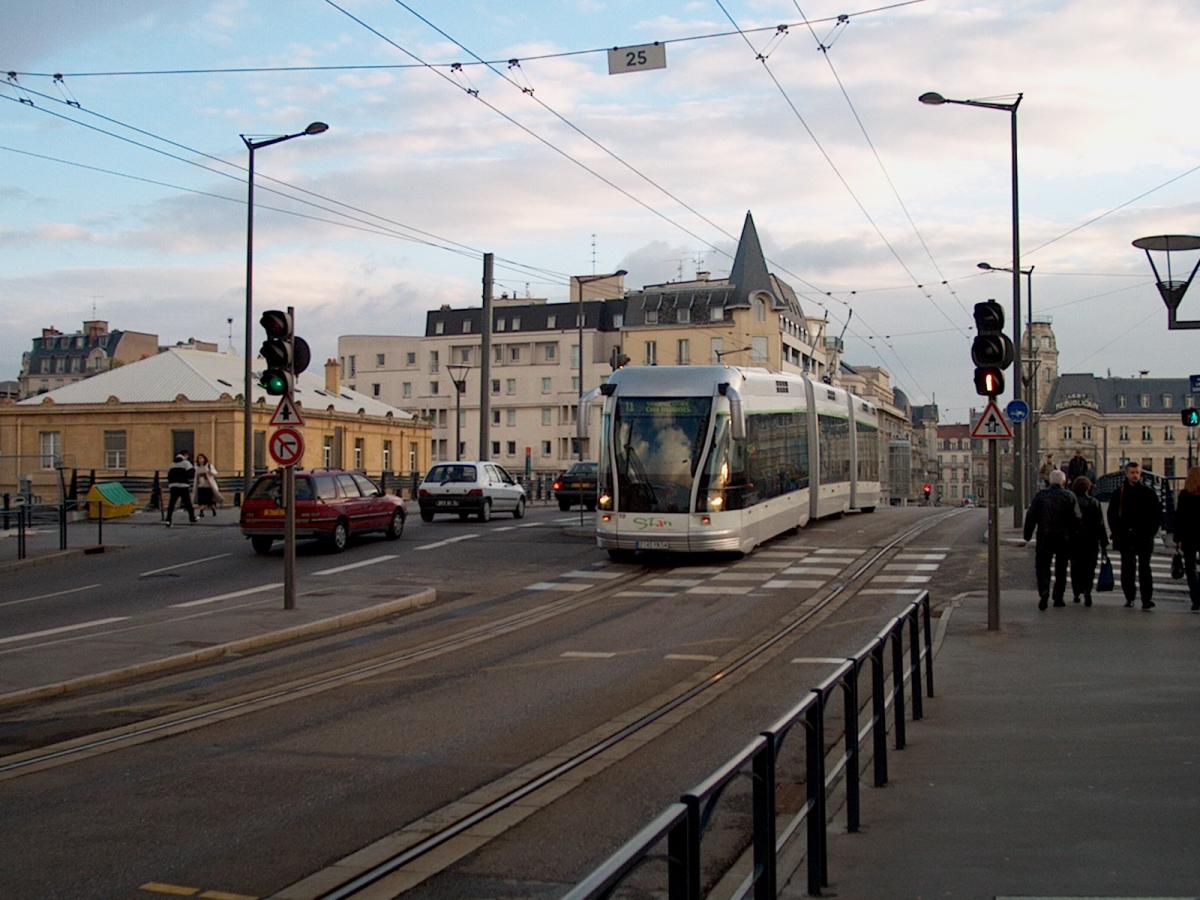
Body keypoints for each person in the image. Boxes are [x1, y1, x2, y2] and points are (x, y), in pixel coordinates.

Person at [1106, 460, 1162, 609]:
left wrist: (1151, 531)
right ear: (1126, 473)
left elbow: (1156, 515)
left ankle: (1146, 599)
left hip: (1144, 535)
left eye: (1137, 473)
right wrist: (1117, 531)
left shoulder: (1148, 492)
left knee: (1144, 568)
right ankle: (1129, 596)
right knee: (1128, 568)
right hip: (1126, 535)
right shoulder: (1120, 492)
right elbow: (1112, 514)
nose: (1135, 476)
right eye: (1132, 473)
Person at [1023, 469, 1081, 610]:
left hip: (1044, 535)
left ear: (1049, 481)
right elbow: (1076, 518)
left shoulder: (1041, 496)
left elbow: (1031, 516)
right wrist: (1075, 536)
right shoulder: (1069, 496)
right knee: (1061, 567)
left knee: (1042, 566)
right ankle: (1058, 596)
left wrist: (1027, 534)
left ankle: (1044, 590)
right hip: (1064, 537)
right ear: (1064, 481)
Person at [1068, 476, 1107, 607]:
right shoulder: (1095, 503)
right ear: (1088, 488)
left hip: (1075, 540)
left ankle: (1076, 592)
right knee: (1090, 567)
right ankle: (1087, 591)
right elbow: (1100, 524)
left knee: (1076, 566)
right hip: (1091, 540)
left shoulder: (1071, 502)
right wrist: (1104, 543)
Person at [1174, 465, 1200, 611]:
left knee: (1190, 568)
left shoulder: (1184, 495)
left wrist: (1177, 538)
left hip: (1189, 536)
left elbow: (1180, 517)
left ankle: (1195, 598)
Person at [165, 452, 197, 526]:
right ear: (185, 455)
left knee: (172, 503)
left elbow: (169, 475)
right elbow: (192, 473)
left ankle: (168, 519)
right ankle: (192, 518)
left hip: (173, 486)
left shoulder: (172, 464)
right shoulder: (186, 463)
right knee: (188, 503)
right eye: (187, 456)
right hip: (183, 485)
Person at [194, 453, 223, 517]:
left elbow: (215, 473)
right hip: (200, 486)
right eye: (199, 458)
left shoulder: (209, 466)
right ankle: (201, 512)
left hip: (208, 486)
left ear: (204, 459)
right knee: (201, 500)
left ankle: (213, 509)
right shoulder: (197, 466)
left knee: (210, 500)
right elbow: (195, 475)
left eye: (201, 458)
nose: (200, 460)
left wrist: (209, 472)